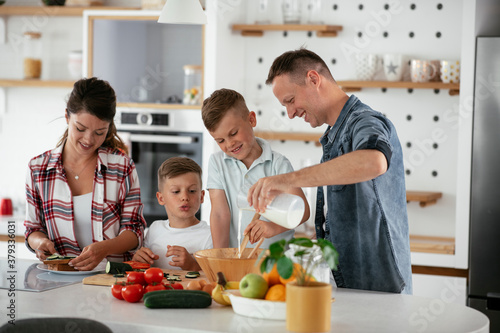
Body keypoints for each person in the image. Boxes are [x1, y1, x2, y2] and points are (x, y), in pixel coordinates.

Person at [248, 48, 413, 294]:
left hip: (379, 286)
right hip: (352, 282)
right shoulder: (335, 134)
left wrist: (288, 180)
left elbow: (374, 162)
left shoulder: (365, 121)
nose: (290, 113)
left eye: (290, 101)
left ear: (314, 79)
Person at [24, 77, 146, 271]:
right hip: (58, 280)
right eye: (80, 128)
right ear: (67, 117)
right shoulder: (38, 169)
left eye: (100, 132)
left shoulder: (122, 166)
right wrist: (40, 243)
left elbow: (134, 230)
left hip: (111, 281)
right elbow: (33, 229)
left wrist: (105, 249)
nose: (89, 140)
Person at [201, 88, 310, 249]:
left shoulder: (278, 164)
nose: (229, 144)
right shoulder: (217, 163)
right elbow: (219, 214)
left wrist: (273, 228)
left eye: (234, 133)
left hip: (275, 263)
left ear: (251, 119)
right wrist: (220, 258)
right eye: (220, 140)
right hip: (237, 263)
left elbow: (303, 211)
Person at [132, 157, 212, 271]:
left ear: (202, 196)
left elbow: (215, 278)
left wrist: (192, 265)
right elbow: (143, 267)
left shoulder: (209, 235)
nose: (185, 197)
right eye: (176, 192)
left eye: (192, 191)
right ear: (161, 198)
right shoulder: (155, 229)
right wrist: (138, 260)